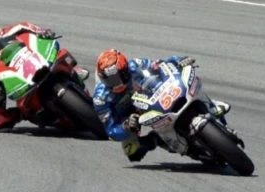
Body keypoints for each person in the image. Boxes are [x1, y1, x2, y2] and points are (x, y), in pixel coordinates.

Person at [93, 49, 230, 162]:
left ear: (125, 70)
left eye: (116, 78)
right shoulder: (100, 98)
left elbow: (159, 65)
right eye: (109, 80)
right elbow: (110, 130)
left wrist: (179, 60)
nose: (114, 83)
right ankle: (158, 139)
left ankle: (210, 105)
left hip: (152, 97)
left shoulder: (135, 65)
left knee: (189, 84)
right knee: (132, 150)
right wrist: (126, 126)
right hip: (131, 116)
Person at [0, 22, 87, 130]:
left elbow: (19, 27)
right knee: (1, 121)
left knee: (24, 43)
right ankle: (24, 113)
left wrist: (40, 31)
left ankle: (71, 69)